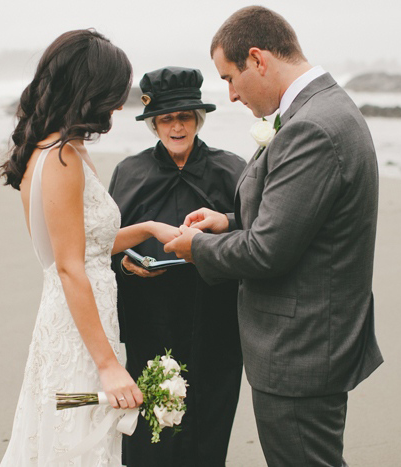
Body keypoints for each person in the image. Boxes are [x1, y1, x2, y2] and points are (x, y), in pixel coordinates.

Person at [164, 6, 383, 466]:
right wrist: (227, 221)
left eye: (229, 78)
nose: (230, 95)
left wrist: (197, 248)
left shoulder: (312, 127)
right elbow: (295, 219)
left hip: (300, 352)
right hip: (307, 342)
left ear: (259, 60)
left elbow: (267, 252)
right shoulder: (317, 109)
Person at [0, 30, 179, 466]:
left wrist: (148, 228)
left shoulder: (64, 150)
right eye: (115, 93)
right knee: (79, 441)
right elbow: (69, 267)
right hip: (79, 329)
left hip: (86, 315)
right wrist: (108, 365)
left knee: (78, 436)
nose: (119, 105)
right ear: (90, 91)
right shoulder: (60, 157)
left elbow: (86, 246)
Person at [108, 66, 246, 467]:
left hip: (218, 324)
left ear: (198, 118)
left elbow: (258, 235)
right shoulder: (129, 173)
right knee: (153, 436)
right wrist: (130, 268)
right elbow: (107, 247)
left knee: (208, 433)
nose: (176, 126)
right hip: (150, 325)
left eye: (184, 116)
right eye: (166, 118)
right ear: (153, 124)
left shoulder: (232, 169)